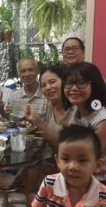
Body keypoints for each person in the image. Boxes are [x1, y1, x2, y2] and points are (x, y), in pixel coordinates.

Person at [23, 66, 75, 205]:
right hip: (52, 159)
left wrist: (37, 120)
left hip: (70, 165)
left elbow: (66, 146)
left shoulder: (75, 110)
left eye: (52, 82)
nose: (48, 88)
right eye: (44, 85)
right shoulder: (51, 105)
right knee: (31, 171)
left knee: (32, 194)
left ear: (64, 81)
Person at [32, 124, 106, 207]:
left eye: (82, 160)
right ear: (58, 161)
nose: (72, 167)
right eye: (65, 159)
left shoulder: (102, 195)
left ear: (98, 165)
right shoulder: (49, 183)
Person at [62, 62, 106, 185]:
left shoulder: (102, 119)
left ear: (95, 85)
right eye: (69, 83)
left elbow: (83, 157)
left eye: (81, 82)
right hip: (78, 174)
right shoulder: (76, 111)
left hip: (99, 181)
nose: (74, 88)